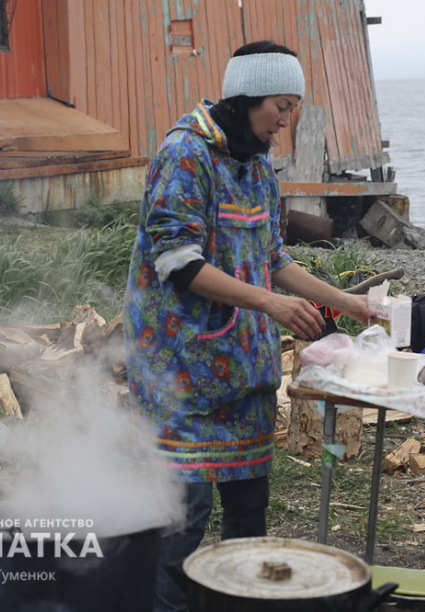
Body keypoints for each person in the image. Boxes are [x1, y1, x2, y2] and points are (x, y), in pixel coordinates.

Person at [124, 41, 371, 611]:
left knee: (249, 513)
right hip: (180, 369)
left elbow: (273, 257)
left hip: (243, 370)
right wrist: (271, 305)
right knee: (182, 519)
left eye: (293, 109)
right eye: (280, 107)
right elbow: (177, 262)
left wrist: (345, 301)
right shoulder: (185, 155)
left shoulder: (257, 163)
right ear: (244, 98)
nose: (285, 122)